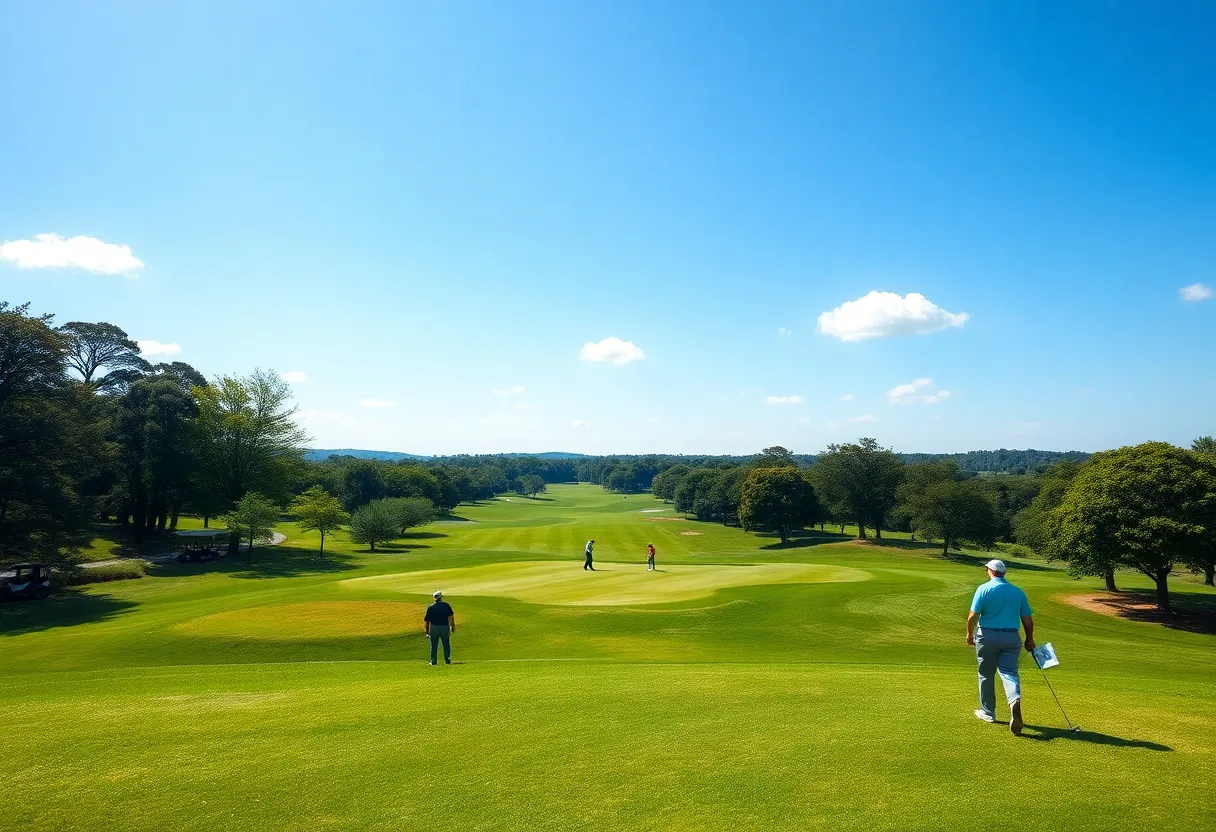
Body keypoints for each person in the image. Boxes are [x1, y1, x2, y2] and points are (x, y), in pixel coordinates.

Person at [966, 559, 1035, 735]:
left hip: (987, 636)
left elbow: (973, 616)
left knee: (986, 674)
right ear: (1004, 572)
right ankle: (1014, 700)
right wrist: (1029, 639)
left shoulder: (984, 589)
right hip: (1011, 637)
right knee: (1009, 672)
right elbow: (1027, 619)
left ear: (990, 571)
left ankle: (989, 713)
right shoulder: (1017, 592)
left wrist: (968, 633)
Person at [424, 590, 456, 665]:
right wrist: (452, 626)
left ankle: (433, 661)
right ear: (441, 597)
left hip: (434, 628)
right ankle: (447, 660)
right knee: (446, 644)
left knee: (434, 645)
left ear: (434, 598)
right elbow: (451, 617)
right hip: (444, 627)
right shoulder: (446, 605)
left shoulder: (431, 607)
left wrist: (427, 632)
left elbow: (426, 621)